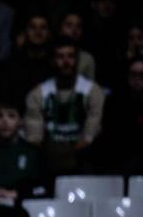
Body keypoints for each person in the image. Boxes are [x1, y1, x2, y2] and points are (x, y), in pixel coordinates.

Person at [24, 37, 105, 176]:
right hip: (48, 160)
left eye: (71, 56)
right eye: (60, 57)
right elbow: (34, 138)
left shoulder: (93, 92)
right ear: (52, 60)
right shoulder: (37, 94)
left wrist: (71, 153)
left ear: (77, 60)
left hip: (84, 159)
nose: (66, 62)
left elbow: (90, 134)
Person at [0, 100, 44, 202]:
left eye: (11, 116)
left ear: (20, 121)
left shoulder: (33, 153)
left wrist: (18, 194)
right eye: (0, 116)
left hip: (23, 207)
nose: (4, 121)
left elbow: (42, 188)